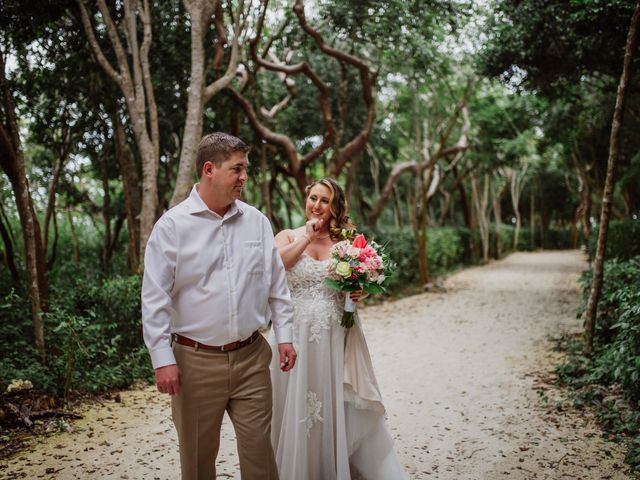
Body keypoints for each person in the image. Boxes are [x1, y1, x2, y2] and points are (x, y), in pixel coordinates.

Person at [141, 132, 297, 480]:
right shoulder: (172, 227)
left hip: (252, 358)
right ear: (209, 169)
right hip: (195, 364)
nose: (244, 177)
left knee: (260, 452)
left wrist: (284, 335)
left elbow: (276, 285)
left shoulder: (257, 221)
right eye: (237, 169)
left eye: (246, 169)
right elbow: (154, 299)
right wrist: (162, 359)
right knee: (197, 459)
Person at [269, 178, 406, 480]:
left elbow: (356, 286)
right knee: (289, 405)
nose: (316, 206)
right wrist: (305, 237)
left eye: (324, 201)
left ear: (335, 207)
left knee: (332, 404)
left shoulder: (346, 244)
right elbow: (276, 266)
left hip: (333, 337)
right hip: (292, 334)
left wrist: (360, 292)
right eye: (313, 198)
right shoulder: (287, 235)